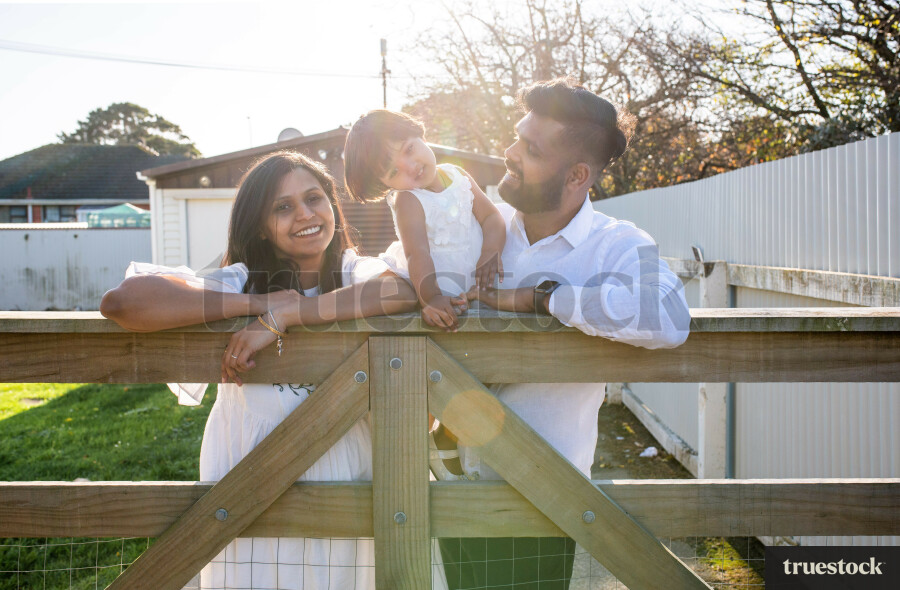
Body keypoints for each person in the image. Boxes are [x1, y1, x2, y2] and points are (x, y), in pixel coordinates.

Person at [100, 151, 460, 590]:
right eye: (283, 207)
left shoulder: (354, 271)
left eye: (314, 198)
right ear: (259, 225)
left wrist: (290, 316)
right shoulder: (240, 281)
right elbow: (123, 301)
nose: (305, 215)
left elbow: (401, 291)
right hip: (253, 489)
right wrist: (260, 304)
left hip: (357, 482)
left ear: (332, 206)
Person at [438, 78, 692, 589]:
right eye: (516, 138)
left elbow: (668, 316)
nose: (508, 155)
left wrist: (542, 299)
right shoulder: (476, 228)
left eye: (530, 150)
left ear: (578, 174)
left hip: (542, 495)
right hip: (447, 483)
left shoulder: (614, 244)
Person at [343, 110, 507, 333]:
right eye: (394, 171)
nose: (411, 167)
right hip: (440, 288)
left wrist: (491, 251)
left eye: (409, 149)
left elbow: (491, 216)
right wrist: (431, 298)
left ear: (420, 134)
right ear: (385, 185)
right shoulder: (409, 199)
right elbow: (417, 253)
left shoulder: (458, 175)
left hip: (481, 278)